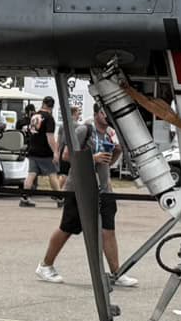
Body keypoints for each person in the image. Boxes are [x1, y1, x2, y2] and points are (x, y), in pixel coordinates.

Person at [36, 106, 137, 287]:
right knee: (67, 228)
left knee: (108, 230)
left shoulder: (109, 134)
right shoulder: (84, 130)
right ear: (96, 113)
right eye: (104, 112)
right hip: (80, 187)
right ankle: (45, 265)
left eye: (109, 113)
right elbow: (66, 155)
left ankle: (117, 272)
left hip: (104, 189)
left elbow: (108, 163)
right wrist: (93, 157)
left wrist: (117, 151)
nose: (107, 116)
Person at [19, 96, 59, 207]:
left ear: (43, 103)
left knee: (31, 174)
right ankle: (60, 197)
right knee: (52, 173)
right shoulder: (49, 118)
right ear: (52, 106)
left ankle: (25, 197)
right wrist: (55, 151)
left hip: (32, 149)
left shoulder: (34, 116)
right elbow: (50, 137)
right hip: (44, 151)